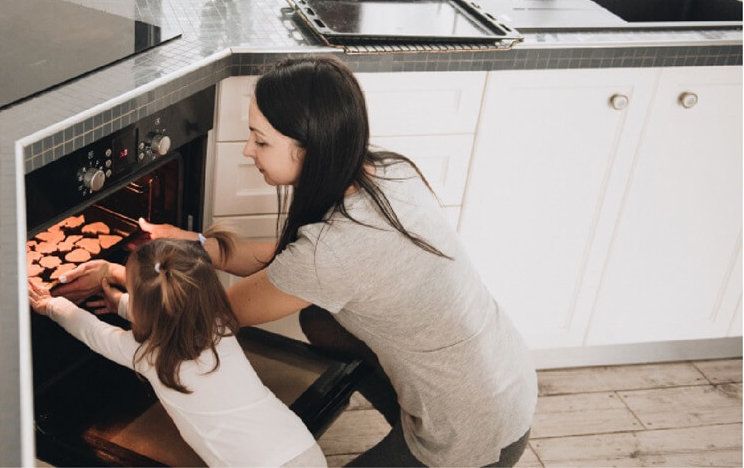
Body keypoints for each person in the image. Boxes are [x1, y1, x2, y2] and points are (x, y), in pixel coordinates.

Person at [129, 54, 538, 467]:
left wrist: (134, 277)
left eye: (261, 139)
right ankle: (405, 406)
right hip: (506, 377)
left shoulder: (333, 252)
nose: (249, 150)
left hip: (474, 432)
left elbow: (211, 318)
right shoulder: (386, 170)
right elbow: (283, 262)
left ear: (311, 148)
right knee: (318, 319)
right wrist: (196, 244)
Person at [29, 236, 328, 468]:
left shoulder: (150, 356)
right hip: (299, 446)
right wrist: (119, 302)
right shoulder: (217, 322)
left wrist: (51, 305)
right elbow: (169, 312)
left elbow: (94, 333)